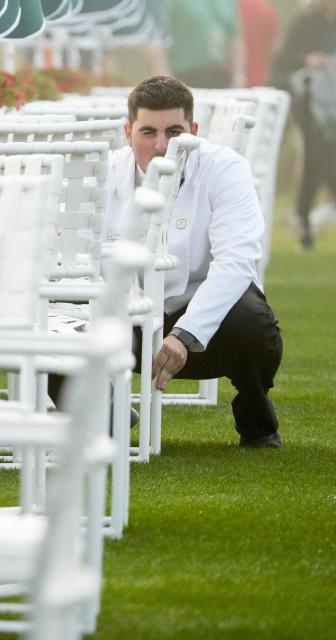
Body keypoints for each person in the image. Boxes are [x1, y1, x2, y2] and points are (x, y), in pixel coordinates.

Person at [53, 76, 283, 449]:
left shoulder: (226, 168)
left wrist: (185, 333)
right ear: (127, 133)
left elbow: (236, 262)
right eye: (148, 132)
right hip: (121, 318)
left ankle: (255, 411)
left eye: (174, 132)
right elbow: (68, 257)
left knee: (255, 325)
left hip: (201, 323)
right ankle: (105, 413)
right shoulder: (102, 173)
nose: (161, 146)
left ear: (193, 130)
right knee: (49, 325)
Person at [272, 0, 336, 249]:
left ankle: (310, 216)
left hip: (332, 100)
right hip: (308, 100)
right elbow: (282, 61)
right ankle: (304, 221)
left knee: (329, 156)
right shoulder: (307, 23)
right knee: (313, 157)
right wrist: (308, 59)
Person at [152, 0, 246, 89]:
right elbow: (155, 36)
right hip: (182, 75)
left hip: (219, 75)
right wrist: (165, 76)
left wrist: (238, 76)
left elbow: (235, 36)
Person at [237, 0, 279, 88]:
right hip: (258, 78)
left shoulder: (230, 5)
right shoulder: (264, 7)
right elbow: (275, 45)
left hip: (231, 78)